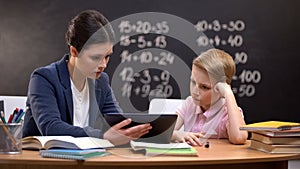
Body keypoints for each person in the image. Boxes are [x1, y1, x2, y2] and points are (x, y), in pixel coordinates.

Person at [22, 10, 151, 146]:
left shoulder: (102, 81)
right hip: (42, 160)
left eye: (107, 56)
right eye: (96, 57)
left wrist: (155, 131)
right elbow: (51, 128)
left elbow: (116, 122)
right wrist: (103, 136)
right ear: (74, 51)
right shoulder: (43, 78)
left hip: (87, 157)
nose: (103, 65)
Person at [171, 48, 248, 145]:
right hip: (192, 159)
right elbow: (163, 133)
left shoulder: (227, 112)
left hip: (216, 160)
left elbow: (239, 138)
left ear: (220, 89)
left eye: (204, 87)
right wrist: (176, 134)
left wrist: (228, 93)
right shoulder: (189, 104)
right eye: (193, 82)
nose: (195, 91)